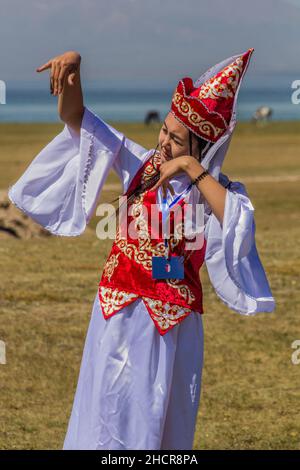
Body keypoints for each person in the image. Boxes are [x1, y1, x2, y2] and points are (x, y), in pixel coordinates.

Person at [8, 48, 275, 450]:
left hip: (172, 327)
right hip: (118, 314)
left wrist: (188, 168)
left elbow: (238, 222)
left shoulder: (211, 191)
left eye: (176, 139)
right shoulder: (140, 163)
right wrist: (73, 73)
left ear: (201, 150)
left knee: (158, 419)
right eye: (164, 131)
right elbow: (78, 120)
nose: (164, 142)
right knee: (105, 413)